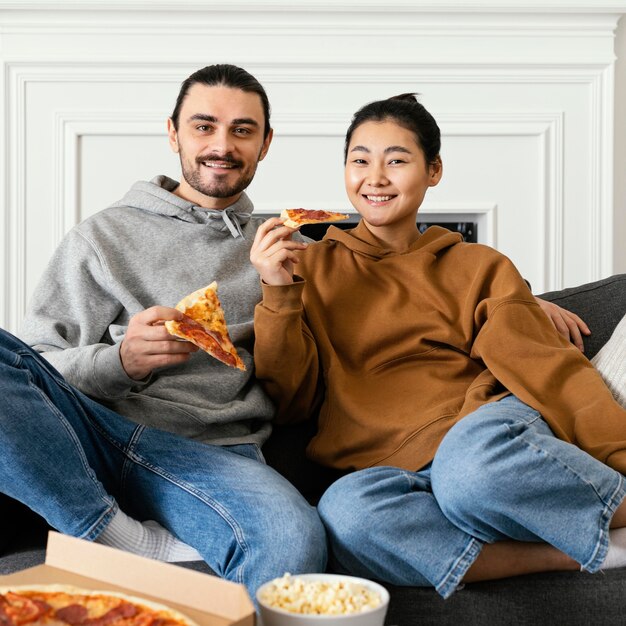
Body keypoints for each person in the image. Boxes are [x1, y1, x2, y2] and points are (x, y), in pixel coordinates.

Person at [250, 93, 626, 599]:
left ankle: (606, 509)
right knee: (343, 515)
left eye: (397, 160)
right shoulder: (308, 269)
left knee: (469, 475)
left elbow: (544, 366)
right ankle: (593, 552)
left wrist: (617, 451)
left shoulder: (477, 265)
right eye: (359, 160)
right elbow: (291, 400)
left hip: (479, 436)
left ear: (434, 171)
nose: (375, 177)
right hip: (383, 468)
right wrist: (277, 293)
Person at [0, 64, 327, 599]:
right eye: (204, 126)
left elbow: (299, 386)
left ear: (266, 144)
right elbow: (33, 363)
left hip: (220, 454)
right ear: (173, 132)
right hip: (95, 434)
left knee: (293, 540)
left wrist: (280, 289)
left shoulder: (283, 252)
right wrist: (120, 362)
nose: (221, 145)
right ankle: (112, 532)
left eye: (242, 130)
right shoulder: (101, 236)